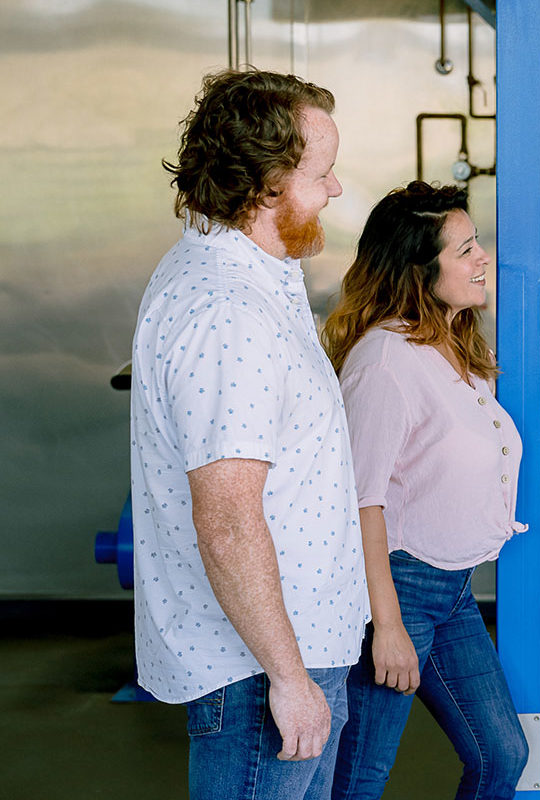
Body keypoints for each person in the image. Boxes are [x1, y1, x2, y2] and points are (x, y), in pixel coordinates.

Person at [129, 69, 368, 800]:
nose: (333, 189)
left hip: (294, 646)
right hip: (263, 668)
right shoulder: (227, 312)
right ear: (265, 186)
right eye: (321, 174)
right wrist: (290, 677)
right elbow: (229, 520)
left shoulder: (258, 279)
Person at [322, 182, 529, 799]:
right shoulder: (384, 361)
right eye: (464, 250)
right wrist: (387, 626)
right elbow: (362, 501)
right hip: (398, 589)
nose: (483, 258)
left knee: (503, 755)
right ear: (420, 270)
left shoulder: (450, 342)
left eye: (477, 244)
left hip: (451, 588)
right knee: (358, 779)